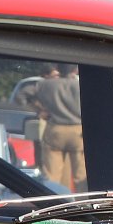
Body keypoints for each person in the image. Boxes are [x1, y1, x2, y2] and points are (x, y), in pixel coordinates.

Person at [32, 63, 86, 191]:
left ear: (58, 70)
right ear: (74, 71)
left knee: (52, 174)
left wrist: (40, 110)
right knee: (81, 174)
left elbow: (26, 96)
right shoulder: (79, 85)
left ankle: (53, 201)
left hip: (55, 128)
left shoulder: (44, 85)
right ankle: (85, 203)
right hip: (78, 131)